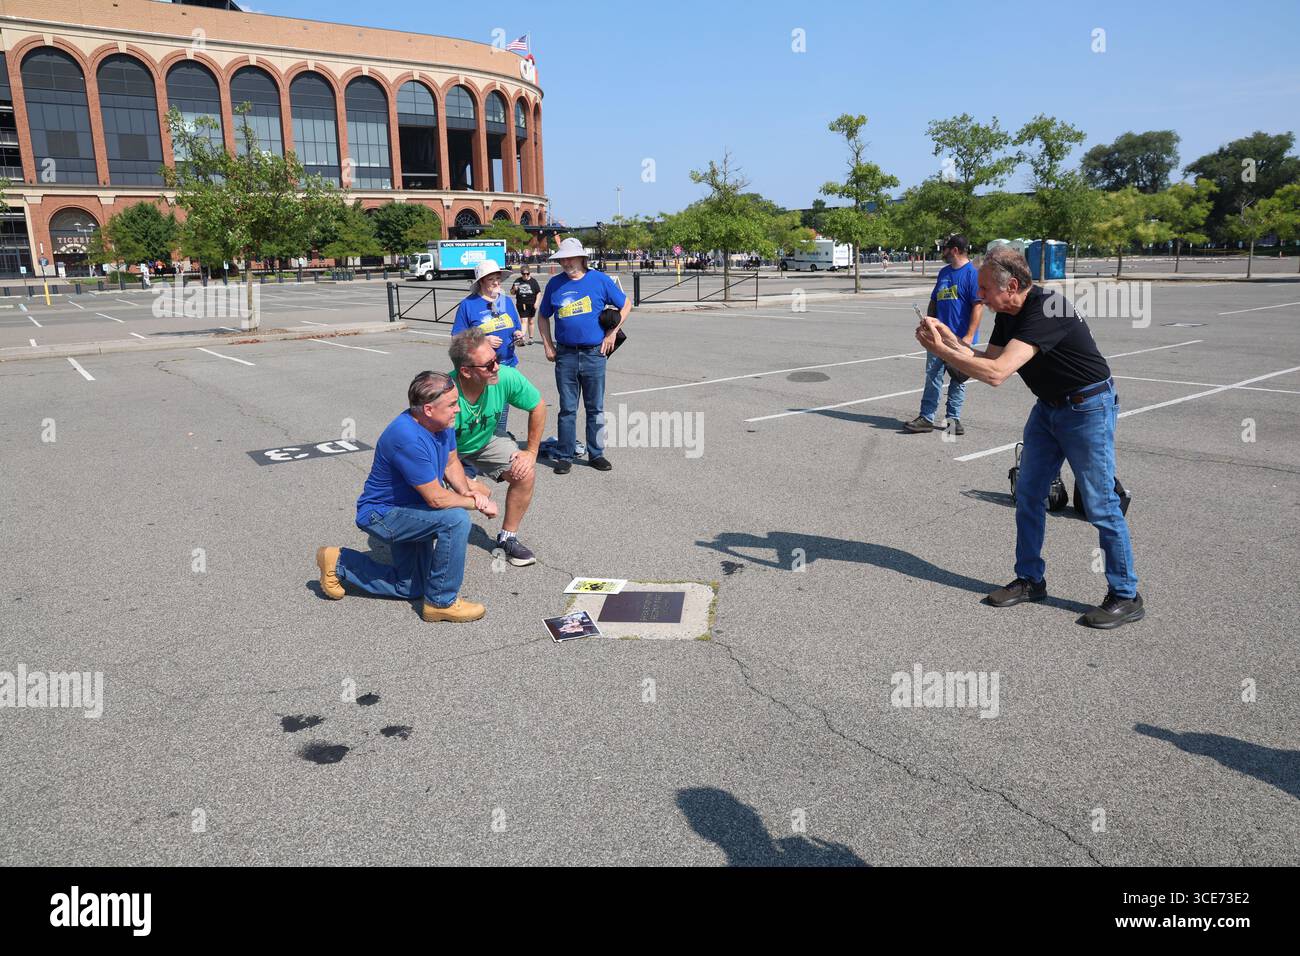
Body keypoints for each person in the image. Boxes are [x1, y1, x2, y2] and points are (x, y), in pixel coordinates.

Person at [913, 246, 1142, 629]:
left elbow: (998, 373)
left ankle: (1125, 595)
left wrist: (942, 351)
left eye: (984, 288)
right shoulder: (1009, 312)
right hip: (1049, 408)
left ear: (1013, 285)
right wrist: (949, 339)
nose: (979, 295)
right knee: (1029, 495)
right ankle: (1030, 580)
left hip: (1088, 407)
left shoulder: (1048, 308)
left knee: (1101, 504)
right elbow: (986, 358)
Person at [315, 370, 497, 623]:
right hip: (383, 514)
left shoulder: (440, 423)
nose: (458, 409)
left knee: (411, 587)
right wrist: (477, 502)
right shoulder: (407, 437)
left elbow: (451, 462)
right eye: (452, 404)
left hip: (412, 510)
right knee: (456, 519)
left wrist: (467, 490)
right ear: (428, 409)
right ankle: (441, 602)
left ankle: (340, 562)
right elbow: (436, 499)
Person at [448, 327, 547, 566]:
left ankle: (507, 539)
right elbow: (434, 453)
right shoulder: (446, 393)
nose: (496, 367)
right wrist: (465, 485)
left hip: (483, 440)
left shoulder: (504, 376)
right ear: (465, 371)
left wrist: (531, 452)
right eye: (488, 365)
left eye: (496, 359)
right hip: (445, 451)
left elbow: (538, 405)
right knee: (440, 498)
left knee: (524, 471)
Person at [537, 236, 630, 474]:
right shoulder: (555, 284)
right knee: (567, 408)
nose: (566, 263)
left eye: (570, 258)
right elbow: (543, 316)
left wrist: (612, 333)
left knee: (595, 407)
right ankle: (565, 454)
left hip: (594, 354)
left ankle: (596, 454)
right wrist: (548, 344)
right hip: (565, 355)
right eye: (562, 259)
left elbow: (626, 304)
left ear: (581, 258)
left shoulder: (599, 279)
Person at [904, 235, 983, 435]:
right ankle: (927, 418)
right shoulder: (944, 273)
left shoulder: (972, 274)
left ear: (955, 250)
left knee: (958, 379)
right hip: (937, 338)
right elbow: (934, 300)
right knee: (933, 376)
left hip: (959, 340)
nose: (943, 251)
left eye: (945, 248)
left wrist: (968, 337)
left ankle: (953, 419)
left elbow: (978, 306)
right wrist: (929, 325)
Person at [452, 260, 525, 437]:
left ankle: (497, 440)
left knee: (502, 408)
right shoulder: (469, 305)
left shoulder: (506, 301)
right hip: (481, 369)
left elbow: (515, 326)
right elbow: (456, 338)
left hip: (506, 365)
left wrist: (518, 335)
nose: (496, 282)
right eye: (491, 279)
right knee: (485, 408)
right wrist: (483, 340)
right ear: (481, 282)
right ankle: (481, 442)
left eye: (498, 278)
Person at [511, 266, 541, 344]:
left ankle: (531, 338)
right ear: (521, 274)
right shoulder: (517, 281)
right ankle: (522, 337)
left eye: (527, 274)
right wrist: (514, 289)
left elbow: (538, 292)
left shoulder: (533, 281)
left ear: (529, 273)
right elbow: (512, 292)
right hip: (521, 303)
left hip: (532, 303)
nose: (525, 275)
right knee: (523, 321)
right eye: (523, 274)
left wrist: (537, 302)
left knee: (531, 321)